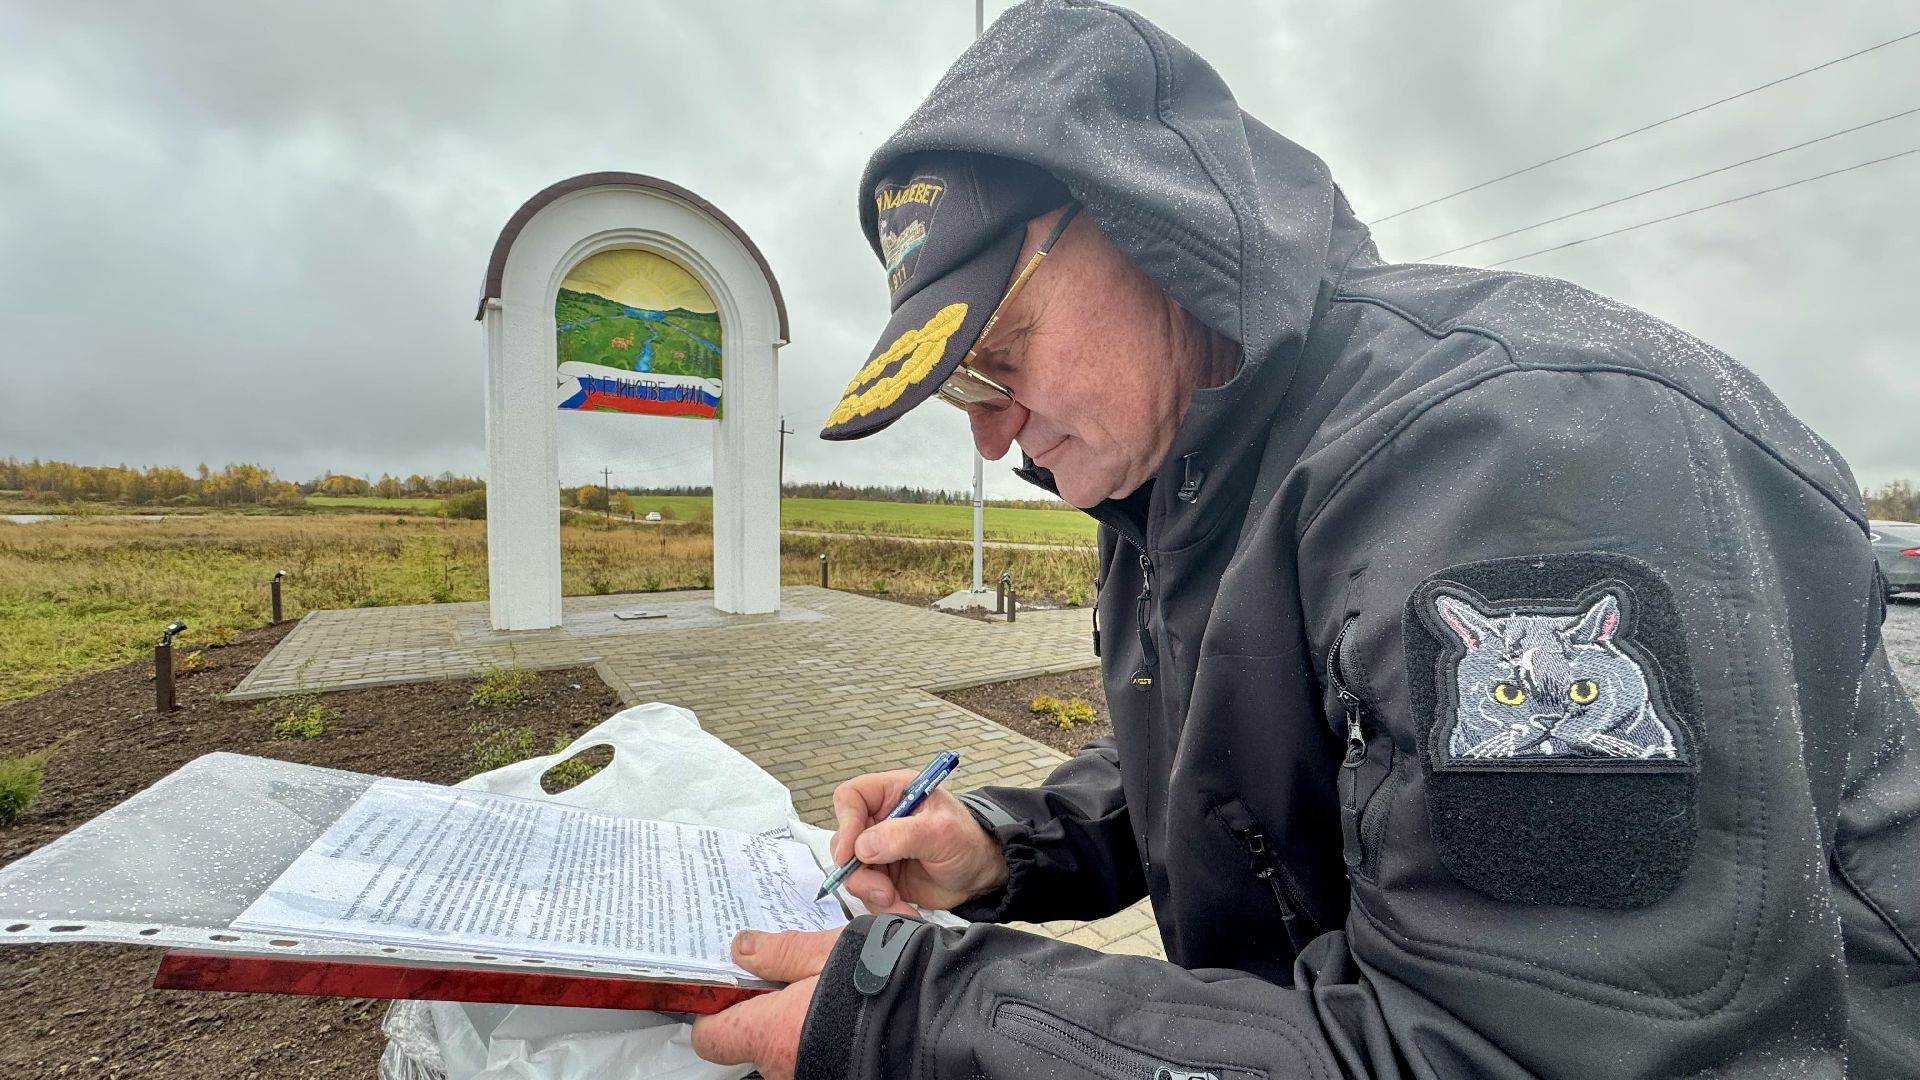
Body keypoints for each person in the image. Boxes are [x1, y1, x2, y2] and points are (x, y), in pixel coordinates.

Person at [691, 1, 1920, 1076]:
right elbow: (1247, 760)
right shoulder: (1172, 489)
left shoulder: (1511, 459)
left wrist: (925, 1017)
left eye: (999, 354)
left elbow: (1517, 1050)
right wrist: (1009, 844)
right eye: (962, 389)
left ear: (1150, 225)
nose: (991, 431)